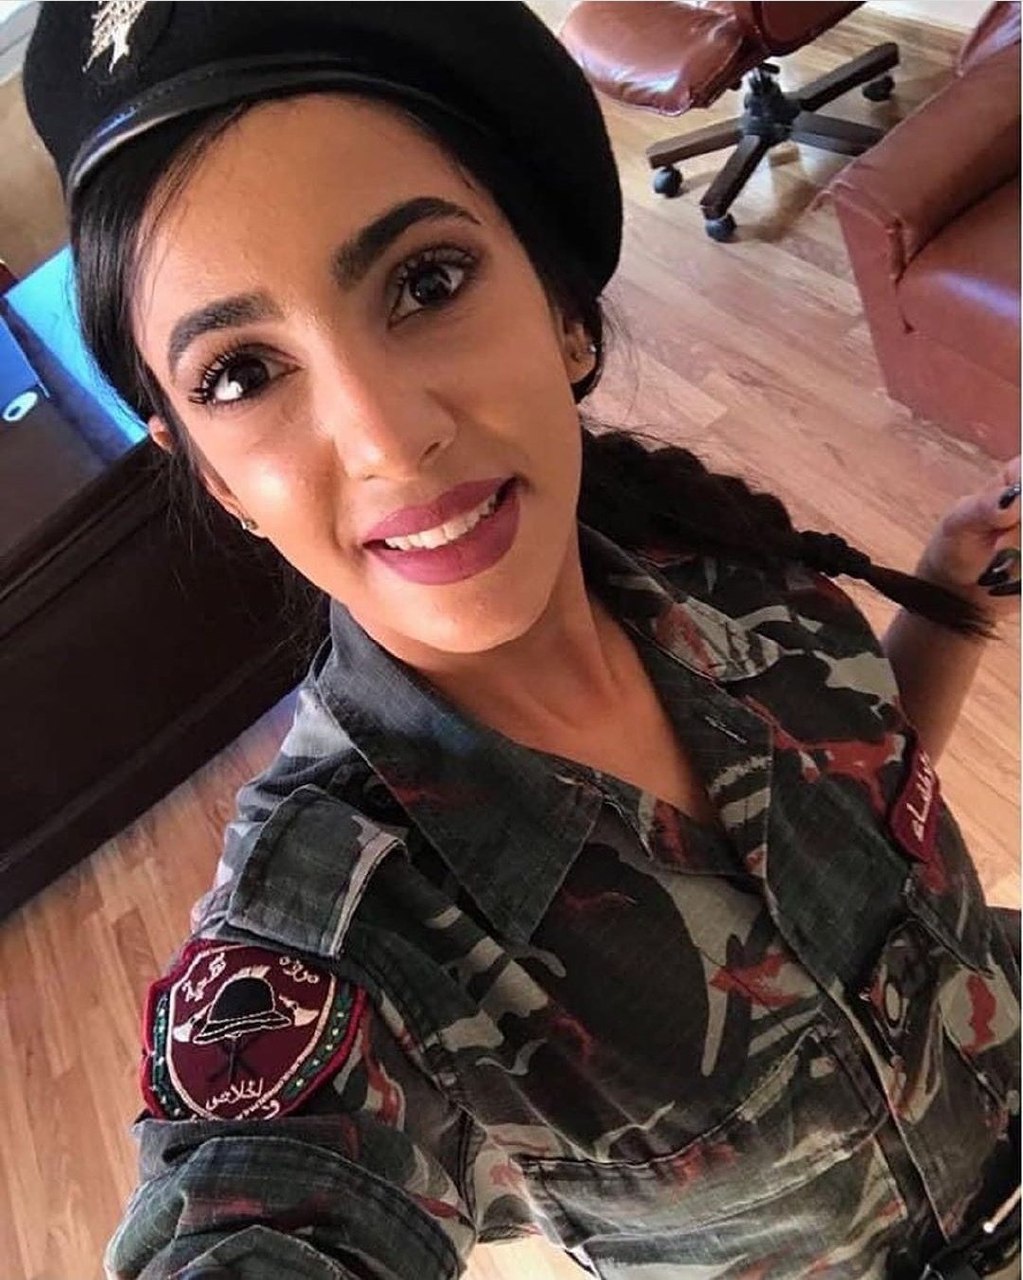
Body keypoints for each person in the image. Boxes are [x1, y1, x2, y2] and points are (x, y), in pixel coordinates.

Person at [23, 4, 1021, 1278]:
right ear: (217, 479)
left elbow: (870, 806)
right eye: (241, 374)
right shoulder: (350, 927)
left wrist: (949, 593)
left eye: (427, 283)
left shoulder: (722, 558)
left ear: (559, 308)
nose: (387, 439)